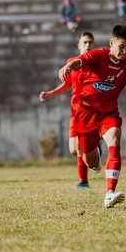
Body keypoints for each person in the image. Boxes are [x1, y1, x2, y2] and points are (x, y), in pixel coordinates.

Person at [58, 25, 126, 207]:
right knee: (89, 160)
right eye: (121, 47)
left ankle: (109, 193)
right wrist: (68, 66)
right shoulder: (99, 55)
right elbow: (80, 61)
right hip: (86, 113)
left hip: (109, 112)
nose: (124, 51)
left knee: (114, 140)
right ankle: (96, 158)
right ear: (111, 43)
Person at [40, 32, 96, 188]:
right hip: (75, 112)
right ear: (79, 45)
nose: (87, 45)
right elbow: (67, 84)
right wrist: (50, 93)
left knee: (79, 147)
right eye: (84, 42)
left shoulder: (97, 63)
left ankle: (83, 182)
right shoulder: (71, 63)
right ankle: (93, 149)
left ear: (94, 45)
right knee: (73, 149)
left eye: (90, 42)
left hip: (91, 112)